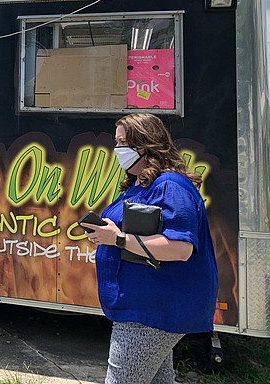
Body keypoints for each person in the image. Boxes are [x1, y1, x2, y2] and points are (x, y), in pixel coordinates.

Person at [85, 113, 218, 384]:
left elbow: (180, 248)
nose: (116, 149)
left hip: (152, 310)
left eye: (122, 142)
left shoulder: (170, 185)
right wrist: (106, 232)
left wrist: (118, 238)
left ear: (143, 146)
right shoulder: (141, 183)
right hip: (146, 305)